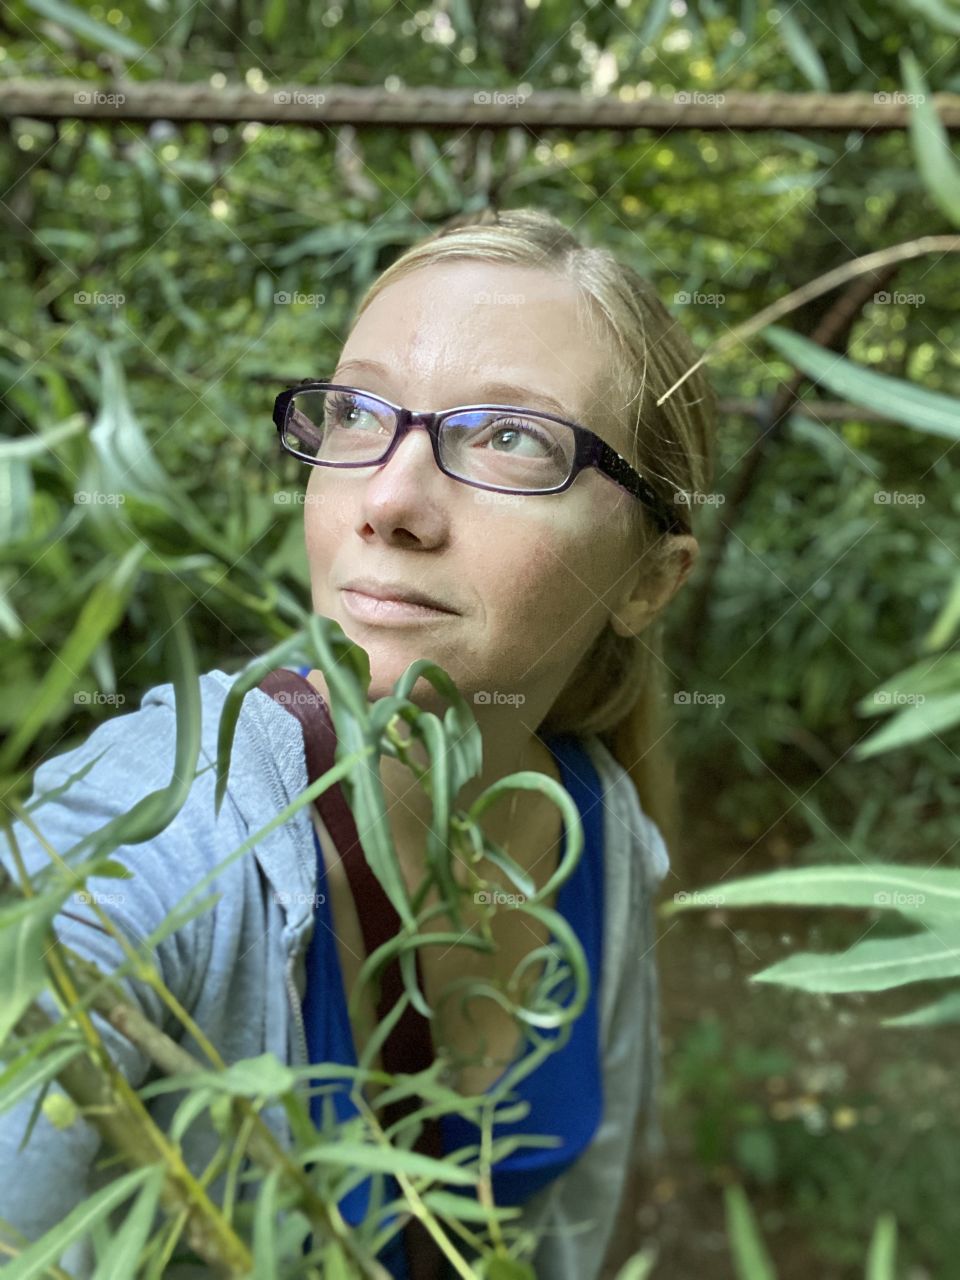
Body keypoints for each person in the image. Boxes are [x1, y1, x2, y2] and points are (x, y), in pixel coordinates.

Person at [0, 206, 716, 1278]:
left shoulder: (605, 833)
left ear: (650, 578)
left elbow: (565, 1230)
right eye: (356, 411)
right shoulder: (155, 833)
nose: (389, 500)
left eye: (510, 436)